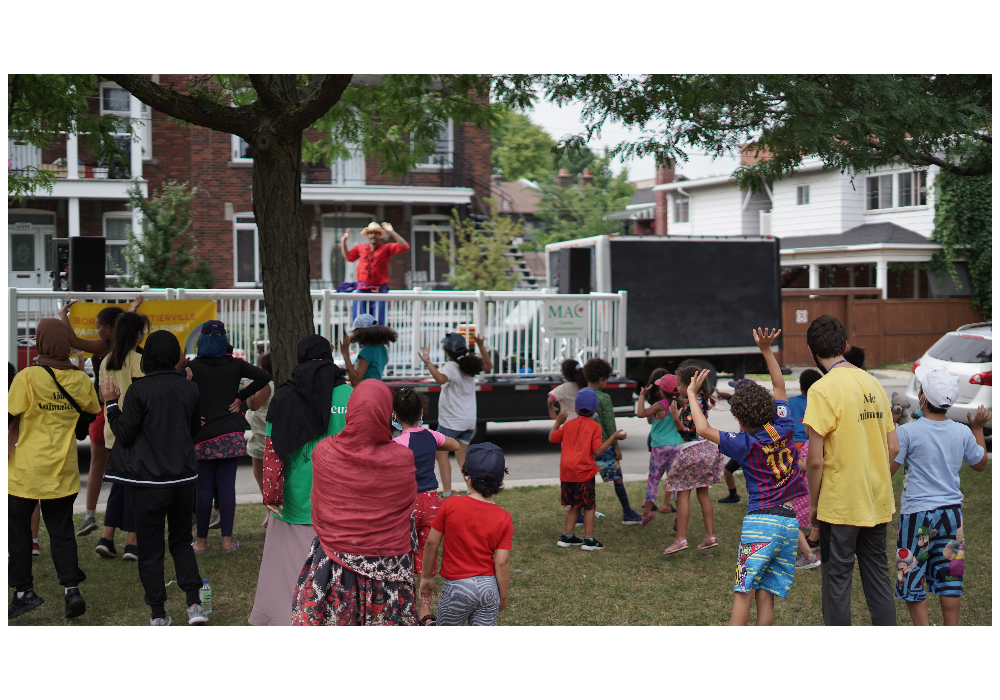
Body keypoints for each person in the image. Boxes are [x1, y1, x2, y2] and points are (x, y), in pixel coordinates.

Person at [687, 328, 809, 626]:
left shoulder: (744, 443)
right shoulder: (783, 425)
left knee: (744, 592)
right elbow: (779, 386)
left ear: (739, 420)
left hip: (759, 525)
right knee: (765, 595)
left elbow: (702, 429)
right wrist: (766, 350)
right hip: (789, 525)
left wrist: (691, 394)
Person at [101, 331, 209, 626]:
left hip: (148, 482)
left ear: (148, 357)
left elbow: (124, 433)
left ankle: (159, 614)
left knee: (150, 549)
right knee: (181, 542)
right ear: (176, 355)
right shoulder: (190, 388)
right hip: (183, 478)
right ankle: (194, 606)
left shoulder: (138, 391)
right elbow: (193, 430)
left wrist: (111, 404)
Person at [292, 380, 419, 626]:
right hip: (390, 574)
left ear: (351, 410)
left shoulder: (325, 451)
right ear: (386, 412)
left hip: (334, 572)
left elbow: (319, 508)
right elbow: (407, 509)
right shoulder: (403, 459)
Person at [249, 335, 352, 626]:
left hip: (295, 499)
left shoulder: (283, 395)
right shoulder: (351, 396)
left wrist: (271, 496)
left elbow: (272, 450)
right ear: (330, 354)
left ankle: (289, 617)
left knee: (290, 572)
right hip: (341, 502)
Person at [802, 314, 897, 626]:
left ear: (812, 351)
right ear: (845, 345)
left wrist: (814, 505)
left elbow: (814, 459)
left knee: (837, 583)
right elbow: (893, 446)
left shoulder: (821, 389)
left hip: (840, 504)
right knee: (878, 579)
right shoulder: (872, 382)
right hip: (876, 499)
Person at [8, 319, 99, 620]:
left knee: (19, 532)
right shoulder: (81, 380)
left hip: (25, 472)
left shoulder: (28, 377)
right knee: (61, 531)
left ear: (41, 342)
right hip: (63, 472)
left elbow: (9, 415)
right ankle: (71, 590)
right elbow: (85, 427)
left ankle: (23, 593)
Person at [888, 366, 989, 626]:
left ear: (923, 397)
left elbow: (889, 468)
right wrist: (977, 427)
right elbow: (979, 464)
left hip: (918, 516)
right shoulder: (962, 431)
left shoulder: (908, 432)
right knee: (950, 574)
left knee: (911, 571)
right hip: (952, 516)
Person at [188, 320, 270, 554]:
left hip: (202, 435)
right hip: (231, 435)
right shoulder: (235, 364)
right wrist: (239, 398)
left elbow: (178, 387)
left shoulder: (193, 367)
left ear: (202, 340)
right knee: (226, 488)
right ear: (224, 340)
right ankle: (227, 541)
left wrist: (194, 413)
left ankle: (201, 543)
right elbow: (264, 377)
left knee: (202, 488)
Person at [58, 300, 136, 537]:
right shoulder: (127, 348)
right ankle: (121, 528)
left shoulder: (105, 347)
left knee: (99, 464)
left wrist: (64, 315)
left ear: (111, 328)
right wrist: (131, 313)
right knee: (122, 468)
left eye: (99, 326)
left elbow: (72, 340)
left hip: (104, 409)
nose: (96, 331)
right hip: (119, 410)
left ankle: (91, 516)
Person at [420, 443, 513, 626]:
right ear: (502, 477)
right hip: (488, 589)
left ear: (467, 479)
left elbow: (431, 544)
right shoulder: (504, 517)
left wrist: (426, 577)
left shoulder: (450, 505)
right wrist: (502, 597)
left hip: (457, 588)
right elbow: (502, 561)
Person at [391, 387, 460, 624]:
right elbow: (455, 445)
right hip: (432, 503)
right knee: (425, 556)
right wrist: (432, 444)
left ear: (394, 415)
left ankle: (404, 604)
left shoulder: (397, 442)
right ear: (421, 411)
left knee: (404, 554)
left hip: (407, 504)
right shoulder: (431, 436)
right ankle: (425, 610)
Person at [95, 311, 150, 561]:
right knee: (136, 487)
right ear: (138, 335)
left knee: (118, 485)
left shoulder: (106, 360)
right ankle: (132, 544)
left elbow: (101, 396)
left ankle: (106, 538)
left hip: (111, 431)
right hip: (135, 433)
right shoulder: (139, 360)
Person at [550, 388, 627, 552]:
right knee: (589, 506)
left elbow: (552, 437)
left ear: (576, 409)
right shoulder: (595, 426)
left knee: (574, 505)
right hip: (583, 472)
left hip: (567, 472)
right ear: (596, 409)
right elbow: (598, 450)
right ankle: (589, 540)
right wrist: (613, 437)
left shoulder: (569, 423)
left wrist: (558, 421)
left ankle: (567, 536)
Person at [662, 363, 727, 553]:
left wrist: (675, 418)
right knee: (703, 494)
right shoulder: (704, 401)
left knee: (683, 495)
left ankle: (681, 539)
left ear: (689, 385)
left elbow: (688, 434)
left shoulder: (690, 405)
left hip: (693, 452)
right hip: (707, 451)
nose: (677, 388)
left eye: (680, 384)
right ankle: (709, 536)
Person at [419, 332, 493, 497]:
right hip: (468, 421)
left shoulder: (451, 367)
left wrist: (427, 362)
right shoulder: (470, 364)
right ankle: (472, 490)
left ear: (447, 351)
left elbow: (440, 379)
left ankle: (447, 493)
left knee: (441, 454)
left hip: (451, 422)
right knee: (462, 458)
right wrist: (480, 345)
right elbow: (488, 365)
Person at [583, 357, 642, 525]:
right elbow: (609, 424)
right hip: (603, 444)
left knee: (587, 481)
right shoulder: (603, 398)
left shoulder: (581, 395)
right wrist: (616, 446)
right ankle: (628, 512)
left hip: (585, 447)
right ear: (601, 379)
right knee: (617, 478)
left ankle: (582, 513)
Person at [635, 372, 683, 525]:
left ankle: (647, 512)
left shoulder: (660, 405)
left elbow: (640, 413)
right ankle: (680, 515)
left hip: (659, 448)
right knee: (675, 480)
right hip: (676, 446)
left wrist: (642, 395)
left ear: (661, 391)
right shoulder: (681, 404)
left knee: (653, 479)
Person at [341, 221, 410, 326]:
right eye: (371, 233)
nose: (373, 235)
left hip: (379, 289)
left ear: (380, 235)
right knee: (359, 320)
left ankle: (378, 340)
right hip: (362, 288)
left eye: (376, 233)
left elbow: (404, 246)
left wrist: (391, 231)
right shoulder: (361, 247)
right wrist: (343, 242)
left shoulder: (386, 248)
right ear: (368, 235)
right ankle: (360, 339)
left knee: (378, 320)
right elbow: (348, 257)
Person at [788, 369, 822, 568]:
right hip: (813, 448)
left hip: (797, 450)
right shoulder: (819, 403)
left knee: (794, 499)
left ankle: (810, 543)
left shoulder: (791, 403)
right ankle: (813, 538)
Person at [718, 377, 754, 504]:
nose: (734, 393)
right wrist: (725, 396)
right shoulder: (747, 404)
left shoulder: (751, 410)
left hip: (750, 449)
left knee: (752, 477)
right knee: (728, 471)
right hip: (742, 447)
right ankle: (734, 496)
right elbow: (733, 400)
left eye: (736, 390)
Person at [245, 352, 274, 498]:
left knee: (261, 475)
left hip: (261, 438)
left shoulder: (266, 385)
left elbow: (253, 405)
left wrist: (249, 391)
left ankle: (269, 506)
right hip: (270, 436)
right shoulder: (277, 383)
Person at [339, 313, 398, 385]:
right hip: (378, 388)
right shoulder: (382, 349)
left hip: (367, 390)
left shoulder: (366, 352)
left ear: (360, 334)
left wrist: (345, 355)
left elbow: (355, 381)